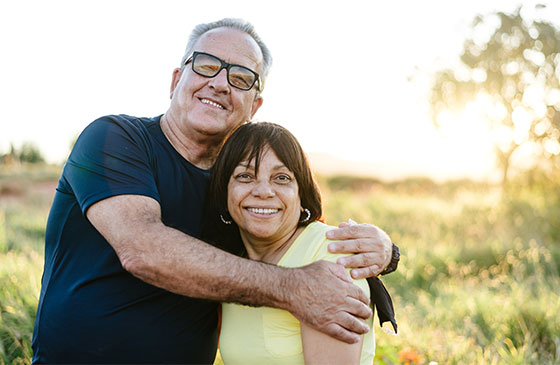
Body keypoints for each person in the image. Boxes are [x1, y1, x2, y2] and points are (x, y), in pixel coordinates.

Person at [32, 18, 396, 364]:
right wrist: (295, 288)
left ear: (254, 106)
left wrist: (386, 251)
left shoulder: (237, 186)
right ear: (176, 80)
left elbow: (290, 234)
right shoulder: (115, 138)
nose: (220, 83)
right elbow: (143, 251)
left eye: (241, 77)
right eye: (206, 65)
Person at [204, 122, 376, 364]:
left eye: (282, 178)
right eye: (244, 176)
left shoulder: (331, 256)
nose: (264, 191)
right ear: (224, 191)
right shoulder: (231, 262)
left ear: (301, 192)